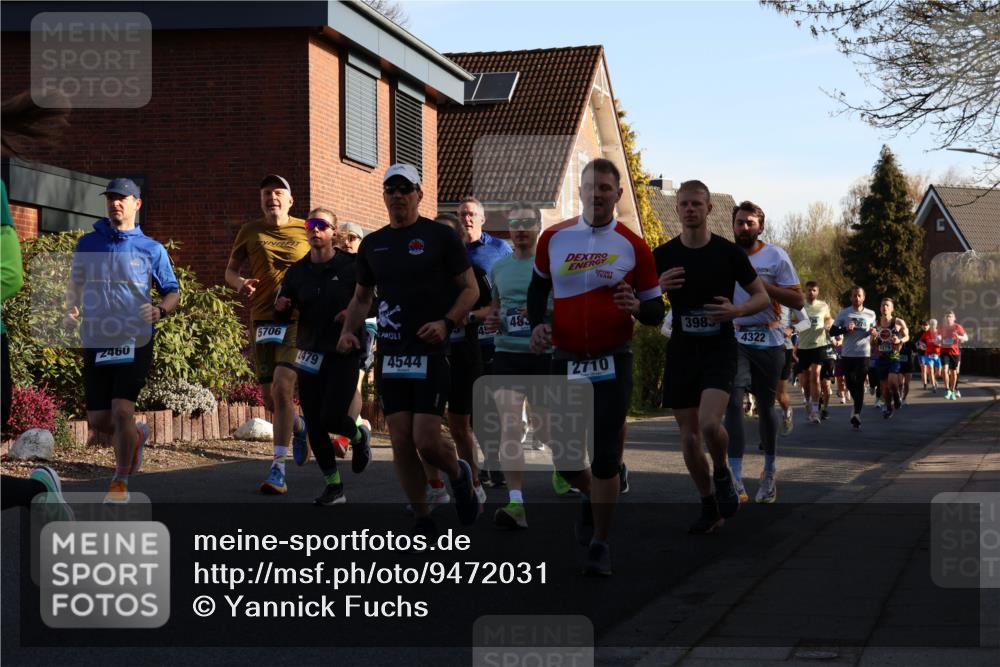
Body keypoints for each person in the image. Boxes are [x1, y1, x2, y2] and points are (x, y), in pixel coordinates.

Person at [528, 158, 664, 576]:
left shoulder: (633, 245)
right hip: (567, 357)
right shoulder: (553, 238)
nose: (598, 193)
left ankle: (601, 543)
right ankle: (591, 494)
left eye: (606, 187)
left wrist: (637, 307)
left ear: (617, 194)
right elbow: (537, 290)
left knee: (605, 454)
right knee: (567, 459)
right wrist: (537, 325)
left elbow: (656, 311)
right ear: (581, 191)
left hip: (613, 359)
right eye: (591, 187)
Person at [337, 164, 480, 536]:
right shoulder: (373, 244)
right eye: (391, 189)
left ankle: (458, 472)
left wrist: (446, 323)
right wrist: (348, 332)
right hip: (392, 354)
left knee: (427, 440)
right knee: (400, 439)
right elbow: (361, 297)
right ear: (384, 196)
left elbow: (470, 289)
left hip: (430, 351)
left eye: (405, 188)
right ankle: (423, 516)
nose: (398, 195)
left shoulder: (439, 237)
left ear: (419, 194)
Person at [655, 180, 769, 534]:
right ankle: (709, 505)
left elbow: (762, 298)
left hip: (719, 348)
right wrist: (657, 287)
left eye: (697, 204)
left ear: (709, 209)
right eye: (684, 204)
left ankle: (721, 470)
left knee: (708, 424)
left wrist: (736, 311)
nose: (690, 209)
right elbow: (638, 300)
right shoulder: (662, 255)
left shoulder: (728, 252)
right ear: (677, 209)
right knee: (689, 437)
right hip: (682, 350)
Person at [62, 178, 179, 503]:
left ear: (136, 204)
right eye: (111, 198)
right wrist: (71, 308)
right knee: (100, 420)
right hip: (98, 336)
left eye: (122, 198)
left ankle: (120, 480)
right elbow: (76, 284)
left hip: (135, 337)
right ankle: (136, 436)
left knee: (122, 410)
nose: (115, 203)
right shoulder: (88, 244)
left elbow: (172, 291)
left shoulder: (152, 249)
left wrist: (160, 310)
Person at [274, 213, 373, 505]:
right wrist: (281, 307)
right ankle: (334, 486)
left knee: (332, 416)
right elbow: (282, 313)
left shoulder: (352, 266)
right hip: (309, 351)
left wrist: (353, 315)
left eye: (322, 226)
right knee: (315, 423)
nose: (315, 230)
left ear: (334, 232)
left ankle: (358, 438)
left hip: (344, 349)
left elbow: (373, 302)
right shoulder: (297, 272)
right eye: (310, 226)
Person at [225, 175, 310, 494]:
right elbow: (230, 271)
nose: (271, 197)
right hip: (262, 318)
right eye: (266, 193)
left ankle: (278, 468)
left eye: (278, 192)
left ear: (290, 200)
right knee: (270, 399)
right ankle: (300, 427)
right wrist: (240, 283)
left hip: (298, 319)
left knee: (284, 387)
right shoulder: (250, 230)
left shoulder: (306, 228)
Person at [722, 202, 803, 505]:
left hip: (769, 339)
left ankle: (769, 472)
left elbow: (798, 301)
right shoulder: (724, 255)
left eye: (750, 223)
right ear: (732, 225)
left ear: (761, 227)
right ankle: (735, 476)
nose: (744, 228)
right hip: (735, 336)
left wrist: (764, 289)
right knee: (733, 401)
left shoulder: (776, 256)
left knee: (767, 407)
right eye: (740, 223)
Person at [485, 202, 553, 528]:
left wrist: (542, 314)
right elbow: (495, 310)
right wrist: (492, 321)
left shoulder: (552, 266)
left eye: (527, 222)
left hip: (543, 355)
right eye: (515, 224)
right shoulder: (499, 268)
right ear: (509, 229)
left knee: (546, 429)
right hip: (507, 354)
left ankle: (585, 469)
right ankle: (516, 503)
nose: (521, 229)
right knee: (510, 425)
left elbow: (567, 308)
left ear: (538, 226)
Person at [459, 196, 513, 488]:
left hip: (493, 335)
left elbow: (510, 288)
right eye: (462, 214)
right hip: (465, 338)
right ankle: (493, 462)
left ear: (482, 219)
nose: (466, 219)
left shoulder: (499, 249)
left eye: (471, 214)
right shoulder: (454, 251)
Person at [829, 287, 877, 430]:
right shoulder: (844, 313)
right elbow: (832, 331)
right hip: (848, 353)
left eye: (859, 296)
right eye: (854, 296)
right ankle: (857, 405)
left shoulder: (871, 314)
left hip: (863, 353)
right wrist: (845, 329)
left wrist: (873, 332)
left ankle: (856, 413)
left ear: (864, 297)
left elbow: (874, 332)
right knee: (850, 383)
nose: (857, 298)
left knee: (860, 383)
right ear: (851, 298)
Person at [795, 281, 834, 423]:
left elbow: (828, 317)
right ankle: (807, 400)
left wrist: (829, 323)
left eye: (814, 290)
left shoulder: (823, 305)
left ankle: (816, 411)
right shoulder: (799, 306)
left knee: (815, 375)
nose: (811, 292)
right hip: (803, 346)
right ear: (805, 292)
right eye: (809, 290)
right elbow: (792, 322)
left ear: (818, 292)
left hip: (819, 345)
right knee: (805, 380)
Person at [777, 306, 810, 436]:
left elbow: (806, 321)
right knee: (764, 392)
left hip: (783, 348)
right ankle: (766, 435)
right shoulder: (754, 290)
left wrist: (792, 328)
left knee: (779, 394)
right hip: (758, 347)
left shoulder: (788, 293)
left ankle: (787, 411)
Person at [939, 311, 968, 400]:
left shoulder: (957, 327)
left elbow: (966, 338)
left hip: (955, 352)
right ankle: (947, 389)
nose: (948, 318)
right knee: (944, 370)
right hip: (944, 352)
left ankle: (953, 390)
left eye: (950, 316)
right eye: (947, 316)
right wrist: (938, 338)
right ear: (945, 318)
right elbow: (937, 337)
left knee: (954, 372)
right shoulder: (941, 327)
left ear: (954, 318)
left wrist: (958, 337)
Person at [919, 319, 942, 393]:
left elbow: (944, 342)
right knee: (931, 369)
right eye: (931, 324)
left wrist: (940, 344)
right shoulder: (926, 333)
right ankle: (933, 386)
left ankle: (933, 379)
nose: (932, 326)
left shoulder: (939, 333)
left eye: (934, 324)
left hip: (937, 355)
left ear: (936, 325)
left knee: (938, 372)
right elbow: (921, 341)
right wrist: (922, 345)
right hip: (928, 355)